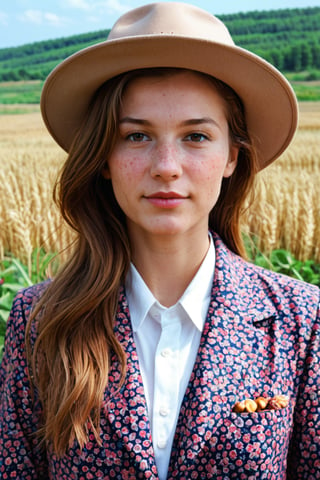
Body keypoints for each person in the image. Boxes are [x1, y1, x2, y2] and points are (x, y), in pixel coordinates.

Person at [0, 2, 319, 479]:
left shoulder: (302, 319)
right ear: (103, 156)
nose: (166, 165)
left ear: (232, 155)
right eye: (136, 137)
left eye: (195, 136)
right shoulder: (39, 322)